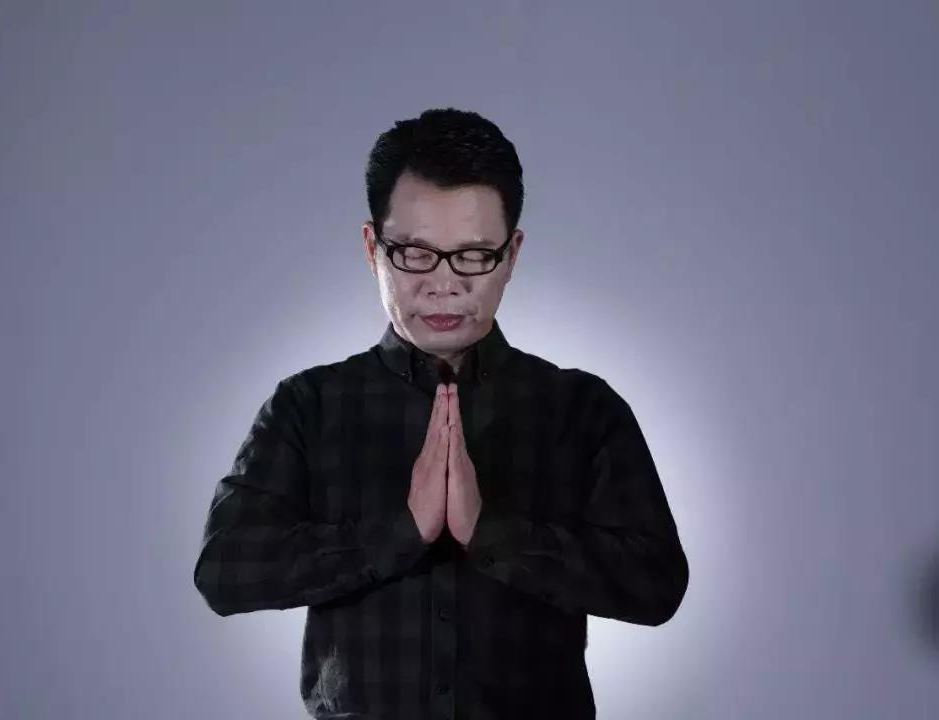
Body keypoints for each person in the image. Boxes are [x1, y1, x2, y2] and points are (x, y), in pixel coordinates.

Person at [192, 107, 689, 720]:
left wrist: (490, 533)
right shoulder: (307, 405)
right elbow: (224, 571)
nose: (445, 284)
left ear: (512, 255)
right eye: (415, 253)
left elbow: (657, 584)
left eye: (474, 255)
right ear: (373, 248)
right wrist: (401, 530)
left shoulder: (582, 409)